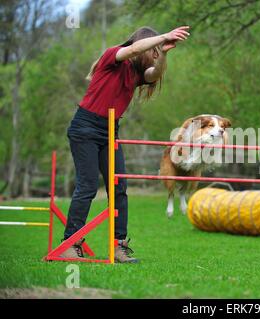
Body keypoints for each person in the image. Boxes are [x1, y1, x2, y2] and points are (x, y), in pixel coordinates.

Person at [61, 25, 190, 263]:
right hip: (85, 127)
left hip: (110, 130)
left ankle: (118, 246)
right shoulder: (113, 56)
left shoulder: (137, 75)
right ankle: (70, 244)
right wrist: (162, 37)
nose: (154, 53)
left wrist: (163, 53)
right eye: (152, 49)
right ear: (143, 45)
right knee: (88, 185)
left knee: (119, 188)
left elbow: (154, 74)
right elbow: (132, 51)